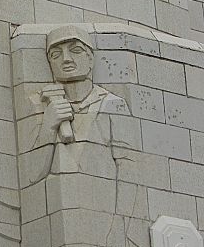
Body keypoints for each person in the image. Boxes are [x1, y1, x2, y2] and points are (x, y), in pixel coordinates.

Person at [21, 25, 129, 186]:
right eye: (56, 54)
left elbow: (129, 169)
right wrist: (48, 127)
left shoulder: (112, 104)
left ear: (91, 59)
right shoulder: (38, 104)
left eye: (75, 51)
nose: (66, 59)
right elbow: (32, 176)